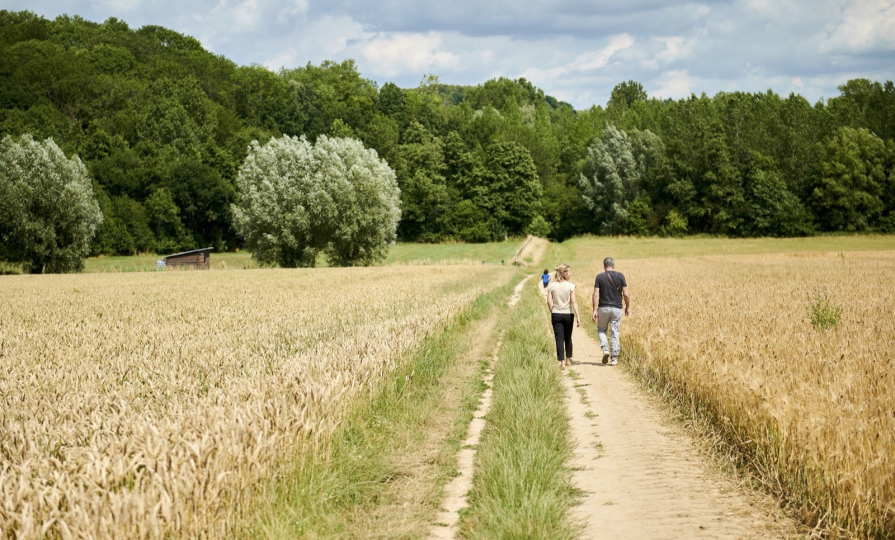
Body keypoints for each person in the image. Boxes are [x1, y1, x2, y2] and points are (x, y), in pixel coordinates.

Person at [591, 257, 630, 366]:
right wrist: (627, 307)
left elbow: (595, 294)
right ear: (614, 265)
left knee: (601, 329)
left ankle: (605, 349)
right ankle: (614, 359)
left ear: (604, 266)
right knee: (615, 332)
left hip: (603, 308)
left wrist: (594, 310)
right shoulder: (621, 276)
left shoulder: (600, 277)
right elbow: (626, 294)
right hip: (617, 308)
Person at [546, 264, 581, 369]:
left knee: (559, 339)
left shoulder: (551, 286)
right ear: (564, 273)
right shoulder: (571, 286)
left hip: (556, 313)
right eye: (569, 271)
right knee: (568, 337)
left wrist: (553, 312)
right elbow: (574, 302)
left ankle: (561, 362)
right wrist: (578, 317)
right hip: (568, 314)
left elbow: (548, 301)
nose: (570, 273)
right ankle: (568, 360)